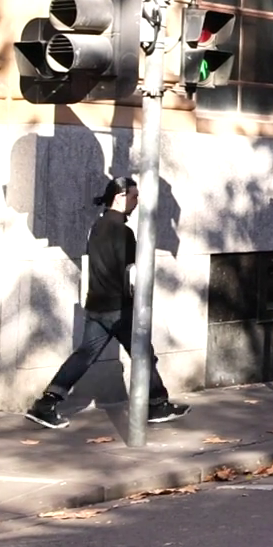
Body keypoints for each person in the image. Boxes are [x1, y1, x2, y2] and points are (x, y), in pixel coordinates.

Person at [26, 177, 191, 430]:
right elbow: (132, 269)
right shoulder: (123, 232)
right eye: (134, 196)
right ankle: (157, 405)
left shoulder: (97, 226)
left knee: (85, 356)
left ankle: (46, 403)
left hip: (97, 304)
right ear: (120, 197)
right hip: (118, 307)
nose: (137, 202)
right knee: (143, 354)